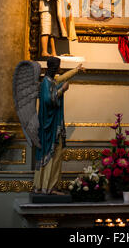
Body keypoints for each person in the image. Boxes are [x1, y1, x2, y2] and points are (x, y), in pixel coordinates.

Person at [33, 57, 85, 195]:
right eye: (59, 66)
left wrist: (76, 70)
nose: (60, 69)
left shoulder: (50, 81)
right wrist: (62, 90)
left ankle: (48, 185)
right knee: (54, 154)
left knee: (56, 154)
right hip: (49, 127)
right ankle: (49, 187)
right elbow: (48, 100)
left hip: (52, 125)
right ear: (54, 67)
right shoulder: (46, 83)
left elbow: (61, 78)